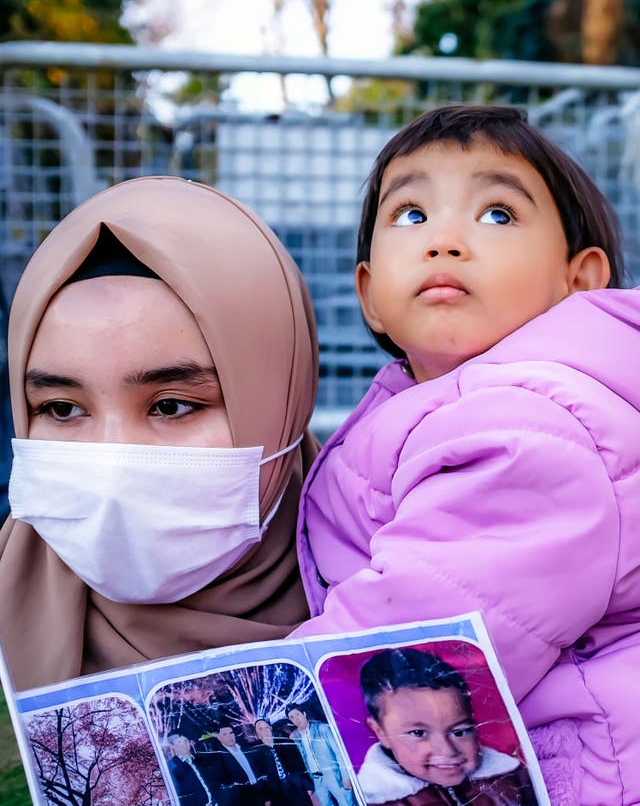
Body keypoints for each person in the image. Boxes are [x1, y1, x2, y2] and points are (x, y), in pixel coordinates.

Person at [292, 106, 640, 805]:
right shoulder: (432, 402)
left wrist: (275, 701)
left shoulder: (531, 425)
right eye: (413, 215)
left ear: (579, 281)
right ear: (370, 297)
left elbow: (407, 630)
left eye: (498, 214)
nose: (445, 241)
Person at [0, 175, 318, 693]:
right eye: (61, 408)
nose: (111, 465)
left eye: (172, 405)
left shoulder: (408, 581)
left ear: (281, 402)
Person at [357, 648, 534, 806]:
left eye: (459, 731)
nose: (447, 751)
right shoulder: (374, 799)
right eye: (418, 733)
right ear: (380, 732)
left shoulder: (512, 777)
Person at [286, 703, 354, 806]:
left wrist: (345, 776)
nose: (296, 719)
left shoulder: (323, 728)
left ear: (304, 714)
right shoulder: (295, 738)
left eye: (297, 714)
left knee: (346, 803)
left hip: (334, 776)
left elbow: (339, 753)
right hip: (316, 780)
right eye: (292, 717)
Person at [253, 716, 315, 806]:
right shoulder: (256, 752)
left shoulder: (285, 743)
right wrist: (266, 798)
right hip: (276, 791)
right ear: (257, 733)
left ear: (270, 728)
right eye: (260, 729)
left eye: (266, 727)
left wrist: (308, 785)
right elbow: (261, 777)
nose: (265, 731)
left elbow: (300, 764)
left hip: (296, 785)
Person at [208, 720, 268, 806]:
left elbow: (259, 771)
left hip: (260, 793)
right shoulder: (218, 758)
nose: (229, 736)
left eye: (231, 733)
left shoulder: (246, 748)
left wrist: (266, 796)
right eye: (224, 734)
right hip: (242, 800)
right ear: (219, 737)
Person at [166, 731, 220, 806]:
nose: (184, 744)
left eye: (185, 740)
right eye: (179, 742)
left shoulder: (200, 759)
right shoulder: (172, 767)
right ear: (172, 746)